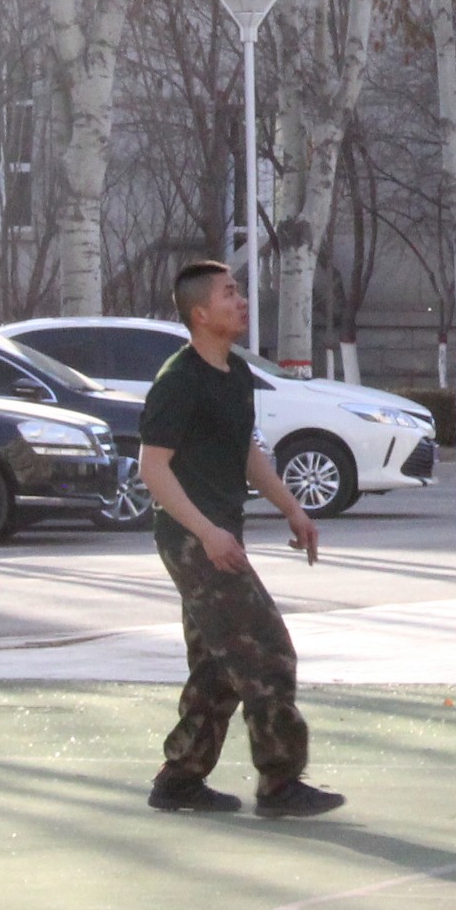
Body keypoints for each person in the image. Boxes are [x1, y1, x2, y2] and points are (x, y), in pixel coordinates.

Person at [138, 259, 345, 820]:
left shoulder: (234, 374)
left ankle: (180, 778)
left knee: (219, 664)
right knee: (268, 650)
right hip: (193, 540)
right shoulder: (178, 381)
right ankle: (280, 782)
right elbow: (152, 468)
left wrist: (294, 510)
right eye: (230, 294)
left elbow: (249, 454)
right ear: (201, 313)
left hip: (218, 534)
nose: (242, 300)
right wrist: (207, 534)